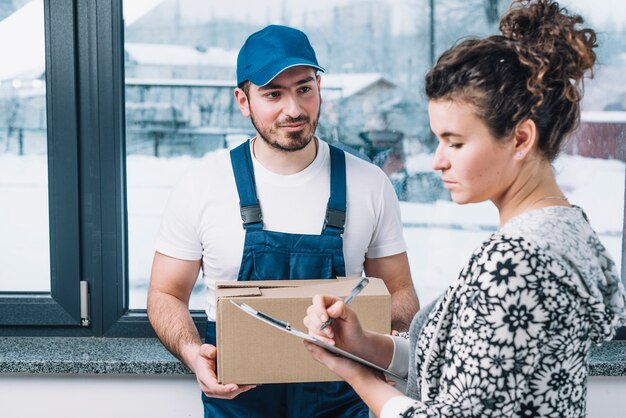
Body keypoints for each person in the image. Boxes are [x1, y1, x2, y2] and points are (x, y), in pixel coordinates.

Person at [302, 1, 626, 417]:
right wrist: (364, 344)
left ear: (521, 139)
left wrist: (357, 376)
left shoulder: (517, 261)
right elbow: (470, 370)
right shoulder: (564, 228)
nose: (438, 160)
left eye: (455, 142)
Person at [147, 24, 419, 418]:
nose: (293, 109)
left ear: (319, 88)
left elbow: (401, 291)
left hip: (346, 400)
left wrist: (386, 346)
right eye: (273, 93)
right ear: (243, 100)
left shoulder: (370, 184)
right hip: (238, 401)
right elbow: (165, 294)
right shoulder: (201, 185)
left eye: (304, 88)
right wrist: (193, 353)